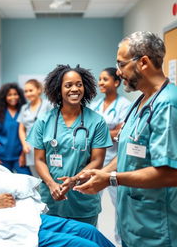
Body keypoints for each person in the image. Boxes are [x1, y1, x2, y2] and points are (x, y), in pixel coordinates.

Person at [74, 31, 177, 247]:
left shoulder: (167, 105)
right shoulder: (140, 102)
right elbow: (126, 151)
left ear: (144, 62)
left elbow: (170, 173)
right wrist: (100, 173)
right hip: (133, 223)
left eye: (121, 64)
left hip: (157, 228)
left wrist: (112, 179)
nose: (119, 72)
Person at [26, 64, 112, 226]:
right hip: (51, 200)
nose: (75, 89)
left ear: (85, 87)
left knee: (84, 242)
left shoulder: (97, 121)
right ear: (59, 90)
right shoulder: (44, 120)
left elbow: (97, 161)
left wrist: (74, 179)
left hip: (83, 199)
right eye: (68, 85)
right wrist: (51, 184)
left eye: (79, 84)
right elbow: (39, 160)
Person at [90, 67, 130, 243]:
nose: (100, 83)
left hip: (115, 161)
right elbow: (91, 130)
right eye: (99, 79)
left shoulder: (125, 105)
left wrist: (99, 133)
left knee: (119, 206)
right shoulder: (95, 105)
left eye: (105, 79)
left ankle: (120, 241)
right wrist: (109, 132)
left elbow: (121, 132)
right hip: (96, 162)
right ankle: (91, 240)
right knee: (92, 204)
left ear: (116, 82)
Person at [0, 83, 31, 175]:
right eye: (9, 95)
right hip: (2, 157)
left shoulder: (24, 111)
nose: (13, 97)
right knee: (3, 185)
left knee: (26, 180)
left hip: (20, 156)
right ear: (4, 97)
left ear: (19, 96)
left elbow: (27, 133)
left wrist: (23, 155)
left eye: (15, 94)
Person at [18, 79, 52, 177]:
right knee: (36, 177)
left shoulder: (47, 105)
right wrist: (24, 144)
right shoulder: (24, 108)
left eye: (31, 90)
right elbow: (21, 129)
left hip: (46, 145)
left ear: (39, 90)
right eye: (26, 91)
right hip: (30, 147)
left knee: (48, 175)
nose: (28, 94)